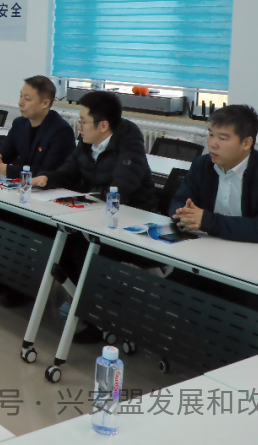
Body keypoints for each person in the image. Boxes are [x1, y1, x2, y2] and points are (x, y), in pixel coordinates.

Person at [32, 90, 156, 341]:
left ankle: (100, 318)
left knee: (82, 249)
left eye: (83, 121)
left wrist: (87, 198)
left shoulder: (129, 143)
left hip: (132, 224)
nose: (79, 126)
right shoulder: (87, 142)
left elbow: (120, 190)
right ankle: (86, 307)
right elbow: (68, 171)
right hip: (96, 218)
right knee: (58, 241)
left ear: (103, 126)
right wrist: (47, 179)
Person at [0, 76, 76, 307]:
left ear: (45, 103)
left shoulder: (60, 131)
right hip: (23, 193)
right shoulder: (20, 124)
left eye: (27, 98)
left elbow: (44, 173)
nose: (20, 102)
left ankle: (23, 286)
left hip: (49, 199)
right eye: (21, 96)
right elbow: (4, 155)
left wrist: (3, 168)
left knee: (19, 225)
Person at [169, 105, 258, 243]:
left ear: (246, 143)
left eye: (222, 138)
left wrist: (208, 221)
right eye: (211, 135)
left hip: (250, 251)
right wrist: (184, 214)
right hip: (205, 245)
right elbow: (178, 201)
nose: (213, 144)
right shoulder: (202, 165)